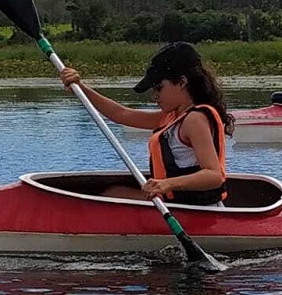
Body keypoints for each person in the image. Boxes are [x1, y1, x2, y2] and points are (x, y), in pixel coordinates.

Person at [59, 41, 233, 206]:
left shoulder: (194, 119)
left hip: (196, 209)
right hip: (176, 203)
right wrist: (81, 88)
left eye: (159, 88)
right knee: (114, 192)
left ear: (182, 82)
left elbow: (214, 175)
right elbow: (122, 114)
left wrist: (167, 184)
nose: (154, 96)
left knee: (113, 195)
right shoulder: (172, 117)